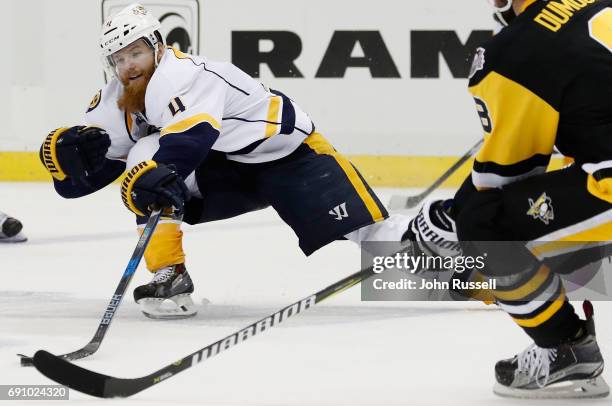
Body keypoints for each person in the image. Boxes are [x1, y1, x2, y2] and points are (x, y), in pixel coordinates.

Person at [40, 4, 459, 319]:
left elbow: (191, 138)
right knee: (142, 162)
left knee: (370, 233)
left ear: (158, 47)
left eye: (134, 53)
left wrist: (152, 176)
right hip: (225, 168)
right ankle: (169, 278)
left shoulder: (184, 75)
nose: (128, 66)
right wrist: (68, 166)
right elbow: (84, 180)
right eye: (118, 59)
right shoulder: (116, 98)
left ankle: (475, 271)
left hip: (288, 155)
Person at [443, 0, 611, 398]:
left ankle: (566, 350)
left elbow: (504, 179)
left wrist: (463, 245)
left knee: (484, 227)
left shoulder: (513, 52)